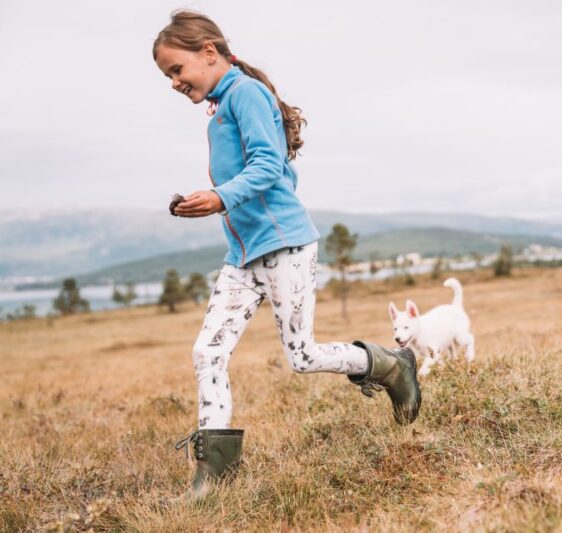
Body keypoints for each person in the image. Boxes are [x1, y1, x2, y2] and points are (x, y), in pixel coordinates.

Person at [152, 10, 421, 501]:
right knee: (207, 351)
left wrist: (219, 197)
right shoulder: (220, 106)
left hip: (285, 246)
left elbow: (268, 166)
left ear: (208, 53)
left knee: (302, 355)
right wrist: (208, 201)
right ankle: (213, 479)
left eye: (177, 70)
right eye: (167, 75)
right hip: (242, 256)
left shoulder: (245, 94)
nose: (173, 82)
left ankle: (391, 365)